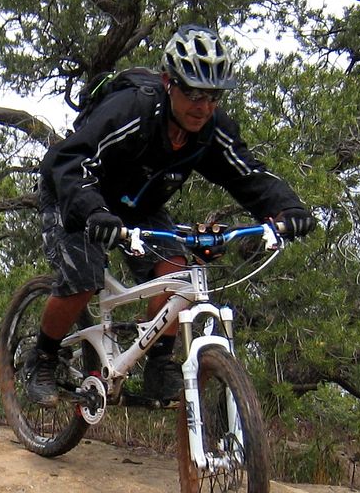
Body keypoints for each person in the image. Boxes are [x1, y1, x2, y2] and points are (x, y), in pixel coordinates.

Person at [26, 24, 314, 407]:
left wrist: (287, 208)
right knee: (83, 277)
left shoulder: (211, 130)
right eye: (193, 93)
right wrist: (93, 211)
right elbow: (70, 161)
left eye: (212, 96)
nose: (203, 106)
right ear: (168, 82)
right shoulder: (131, 111)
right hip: (76, 191)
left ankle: (160, 366)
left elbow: (248, 174)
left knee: (176, 274)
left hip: (138, 205)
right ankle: (43, 357)